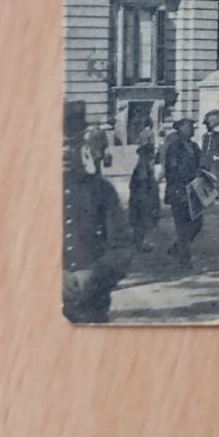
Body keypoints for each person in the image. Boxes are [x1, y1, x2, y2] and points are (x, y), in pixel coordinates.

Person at [63, 116, 129, 323]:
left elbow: (122, 246)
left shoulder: (101, 190)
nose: (64, 151)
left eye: (70, 144)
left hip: (91, 301)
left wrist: (95, 275)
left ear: (83, 147)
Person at [162, 116, 205, 267]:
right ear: (181, 130)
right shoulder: (174, 148)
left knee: (197, 223)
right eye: (189, 127)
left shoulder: (194, 146)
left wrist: (202, 173)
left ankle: (176, 249)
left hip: (193, 192)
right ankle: (184, 259)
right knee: (182, 226)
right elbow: (172, 171)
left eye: (192, 126)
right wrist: (188, 178)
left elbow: (201, 163)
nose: (192, 129)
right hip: (178, 192)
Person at [127, 124, 162, 250]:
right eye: (151, 153)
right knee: (144, 219)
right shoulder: (143, 164)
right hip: (144, 198)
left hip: (141, 196)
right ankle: (142, 242)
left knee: (141, 220)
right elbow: (143, 182)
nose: (153, 155)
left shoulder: (143, 164)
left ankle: (139, 241)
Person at [201, 109, 219, 199]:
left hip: (216, 158)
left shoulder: (217, 135)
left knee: (217, 175)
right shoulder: (205, 136)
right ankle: (211, 194)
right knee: (208, 176)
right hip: (207, 158)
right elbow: (203, 148)